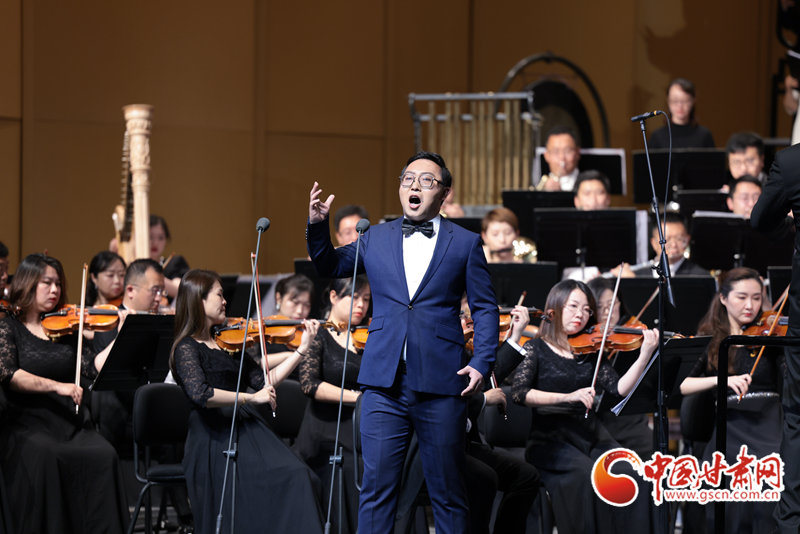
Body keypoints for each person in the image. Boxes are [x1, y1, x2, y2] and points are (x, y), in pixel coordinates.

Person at [306, 150, 499, 534]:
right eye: (408, 179)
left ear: (444, 193)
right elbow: (329, 265)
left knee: (448, 493)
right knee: (377, 491)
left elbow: (485, 308)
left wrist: (482, 362)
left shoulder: (465, 243)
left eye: (427, 181)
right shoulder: (375, 237)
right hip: (383, 382)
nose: (415, 186)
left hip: (441, 382)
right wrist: (317, 224)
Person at [170, 269, 324, 534]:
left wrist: (302, 349)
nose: (225, 301)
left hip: (246, 427)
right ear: (199, 300)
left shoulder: (228, 343)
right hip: (214, 435)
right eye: (219, 295)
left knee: (303, 476)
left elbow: (264, 381)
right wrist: (250, 398)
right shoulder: (186, 347)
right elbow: (201, 394)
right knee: (285, 480)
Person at [511, 279, 659, 534]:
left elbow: (619, 388)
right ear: (555, 308)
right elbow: (519, 394)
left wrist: (645, 355)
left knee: (636, 474)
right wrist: (567, 397)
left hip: (590, 434)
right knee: (588, 476)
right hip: (550, 439)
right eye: (573, 306)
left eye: (586, 309)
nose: (581, 314)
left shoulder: (590, 350)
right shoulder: (535, 348)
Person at [0, 253, 129, 533]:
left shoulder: (66, 329)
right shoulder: (8, 328)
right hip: (27, 422)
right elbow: (9, 375)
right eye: (47, 283)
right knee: (46, 455)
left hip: (69, 422)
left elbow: (92, 367)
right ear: (27, 283)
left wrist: (121, 334)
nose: (55, 290)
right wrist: (58, 386)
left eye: (58, 283)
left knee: (105, 454)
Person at [679, 268, 784, 533]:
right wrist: (720, 380)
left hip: (770, 424)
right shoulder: (710, 340)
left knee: (772, 472)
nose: (750, 306)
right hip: (730, 427)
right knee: (726, 476)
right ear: (723, 298)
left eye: (757, 298)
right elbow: (682, 384)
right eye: (742, 297)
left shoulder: (770, 336)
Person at [750, 142, 800, 532]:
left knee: (798, 418)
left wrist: (791, 225)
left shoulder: (792, 161)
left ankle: (791, 523)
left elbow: (761, 220)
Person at [295, 275, 370, 534]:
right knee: (353, 469)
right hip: (326, 433)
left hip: (362, 429)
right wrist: (358, 398)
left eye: (366, 299)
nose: (361, 305)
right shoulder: (318, 334)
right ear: (333, 296)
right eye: (354, 297)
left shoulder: (369, 335)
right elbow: (309, 384)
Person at [586, 277, 654, 461]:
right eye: (600, 307)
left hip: (629, 420)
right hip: (596, 419)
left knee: (650, 448)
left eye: (611, 305)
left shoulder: (631, 337)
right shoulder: (583, 342)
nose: (607, 313)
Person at [613, 212, 709, 278]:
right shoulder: (638, 273)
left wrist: (636, 283)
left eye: (679, 239)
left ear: (687, 240)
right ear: (654, 243)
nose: (674, 245)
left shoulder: (700, 276)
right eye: (666, 239)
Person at [649, 78, 715, 149]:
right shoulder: (657, 136)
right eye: (675, 100)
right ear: (668, 100)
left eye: (685, 100)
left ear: (693, 100)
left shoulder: (704, 135)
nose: (680, 105)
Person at [149, 215, 190, 302]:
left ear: (166, 240)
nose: (155, 243)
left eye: (160, 238)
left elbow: (181, 290)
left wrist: (152, 275)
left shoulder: (174, 263)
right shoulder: (133, 266)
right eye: (150, 237)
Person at [538, 126, 581, 191]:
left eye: (567, 151)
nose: (562, 157)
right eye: (555, 151)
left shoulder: (588, 183)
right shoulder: (540, 185)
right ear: (546, 156)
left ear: (577, 153)